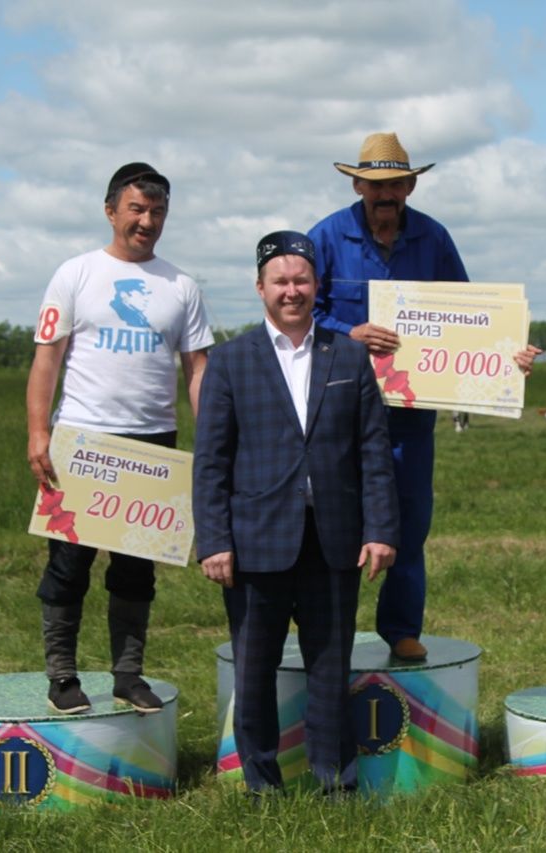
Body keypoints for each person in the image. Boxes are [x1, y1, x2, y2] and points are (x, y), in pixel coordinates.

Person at [309, 132, 538, 661]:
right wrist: (350, 334)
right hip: (341, 406)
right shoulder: (325, 237)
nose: (384, 194)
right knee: (336, 520)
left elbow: (473, 315)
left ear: (410, 185)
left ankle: (402, 629)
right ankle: (333, 631)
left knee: (410, 521)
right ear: (358, 184)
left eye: (395, 184)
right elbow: (301, 312)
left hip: (412, 412)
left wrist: (510, 352)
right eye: (374, 184)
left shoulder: (434, 239)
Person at [194, 231, 399, 795]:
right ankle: (262, 786)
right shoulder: (231, 361)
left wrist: (381, 529)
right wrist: (214, 540)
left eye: (301, 281)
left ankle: (335, 782)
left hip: (334, 539)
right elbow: (211, 460)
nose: (292, 291)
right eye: (280, 281)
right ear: (260, 288)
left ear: (317, 287)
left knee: (330, 671)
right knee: (254, 672)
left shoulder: (349, 355)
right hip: (254, 542)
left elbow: (372, 452)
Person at [25, 162, 214, 715]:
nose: (146, 221)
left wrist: (210, 444)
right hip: (81, 441)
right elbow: (46, 360)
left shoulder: (182, 286)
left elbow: (197, 369)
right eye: (136, 209)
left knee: (136, 570)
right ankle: (62, 677)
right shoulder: (75, 274)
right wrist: (39, 432)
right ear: (111, 211)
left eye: (157, 212)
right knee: (69, 564)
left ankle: (128, 676)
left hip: (152, 443)